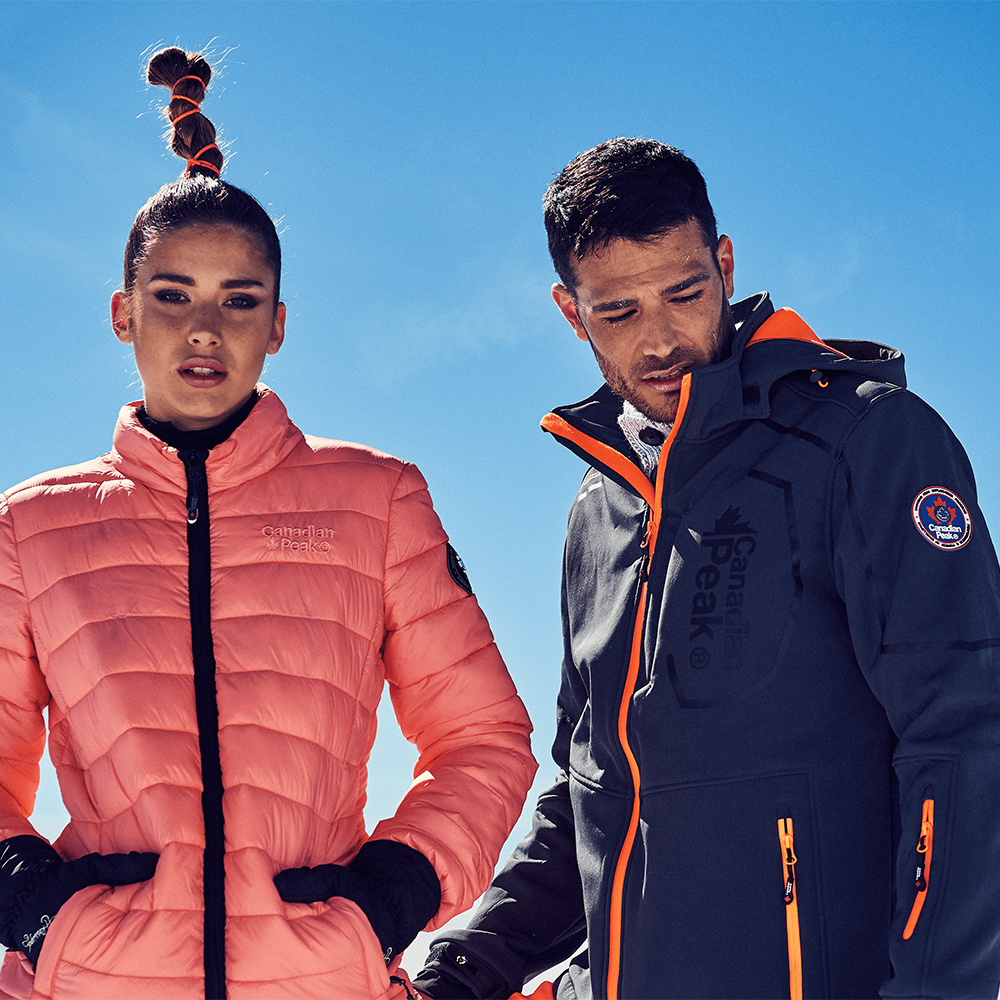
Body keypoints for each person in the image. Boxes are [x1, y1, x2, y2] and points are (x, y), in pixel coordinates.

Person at [0, 47, 536, 1000]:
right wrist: (42, 913)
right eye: (172, 296)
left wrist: (387, 900)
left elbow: (483, 735)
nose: (204, 329)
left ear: (278, 324)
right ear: (123, 314)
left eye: (239, 300)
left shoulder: (377, 499)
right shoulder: (31, 526)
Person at [414, 138, 1000, 1000]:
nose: (660, 340)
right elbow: (591, 785)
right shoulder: (600, 506)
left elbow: (968, 737)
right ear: (571, 312)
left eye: (684, 294)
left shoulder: (866, 440)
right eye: (618, 312)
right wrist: (469, 967)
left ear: (724, 266)